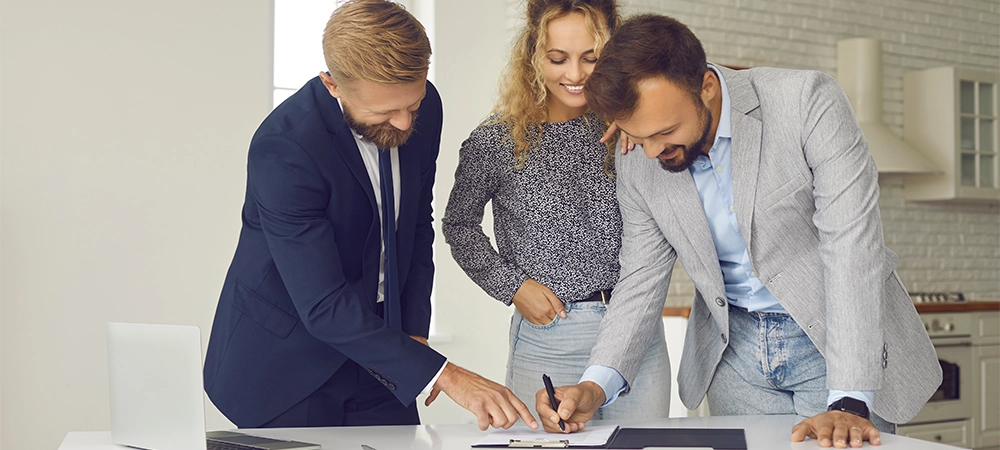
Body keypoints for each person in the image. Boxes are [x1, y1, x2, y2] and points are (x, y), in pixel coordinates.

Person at [538, 14, 942, 448]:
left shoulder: (807, 102)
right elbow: (639, 279)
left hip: (832, 342)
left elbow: (852, 249)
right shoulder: (636, 152)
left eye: (666, 132)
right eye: (640, 135)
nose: (652, 151)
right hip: (734, 355)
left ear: (706, 87)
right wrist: (594, 386)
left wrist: (849, 398)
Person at [203, 0, 537, 431]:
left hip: (385, 352)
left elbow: (416, 224)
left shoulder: (424, 107)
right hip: (287, 367)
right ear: (333, 84)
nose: (403, 124)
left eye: (411, 106)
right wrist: (444, 373)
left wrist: (414, 333)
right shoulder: (286, 149)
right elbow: (322, 304)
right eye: (384, 112)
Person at [441, 0, 671, 422]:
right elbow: (459, 226)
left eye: (591, 58)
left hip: (636, 332)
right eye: (558, 58)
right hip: (551, 336)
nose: (576, 74)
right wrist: (511, 285)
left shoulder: (631, 128)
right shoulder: (497, 140)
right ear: (533, 56)